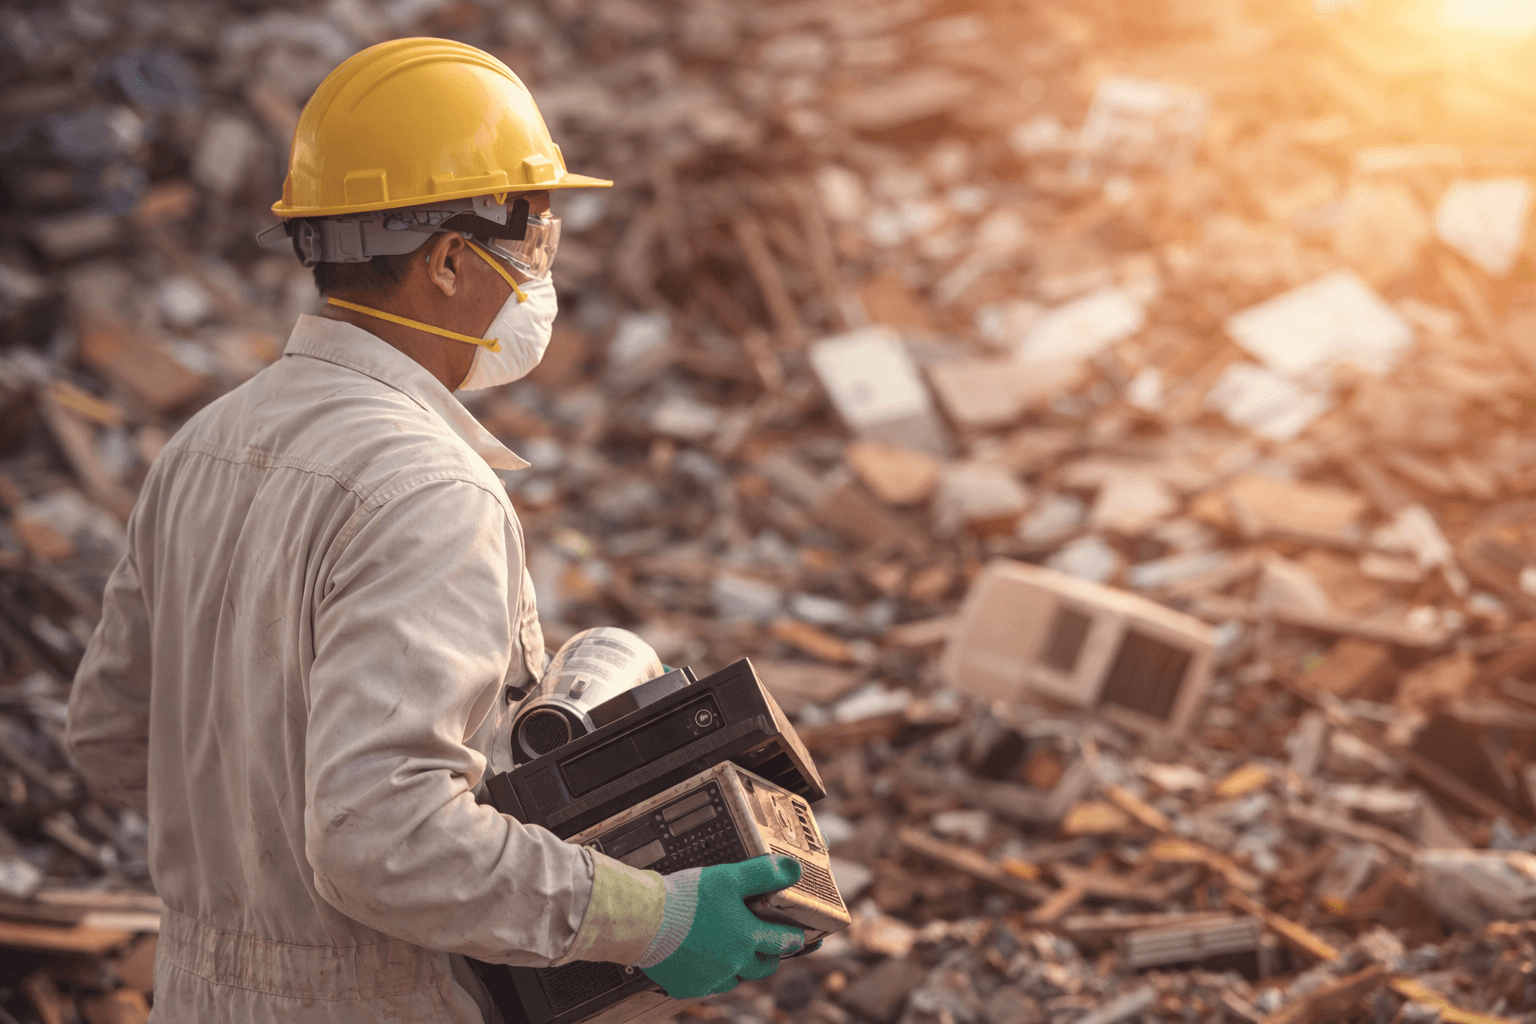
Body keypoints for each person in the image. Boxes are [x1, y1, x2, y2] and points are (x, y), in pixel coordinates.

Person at [65, 37, 805, 1024]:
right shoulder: (426, 490)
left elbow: (111, 737)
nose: (543, 267)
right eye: (533, 234)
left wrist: (266, 865)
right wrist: (655, 915)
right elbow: (384, 839)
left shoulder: (206, 444)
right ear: (451, 259)